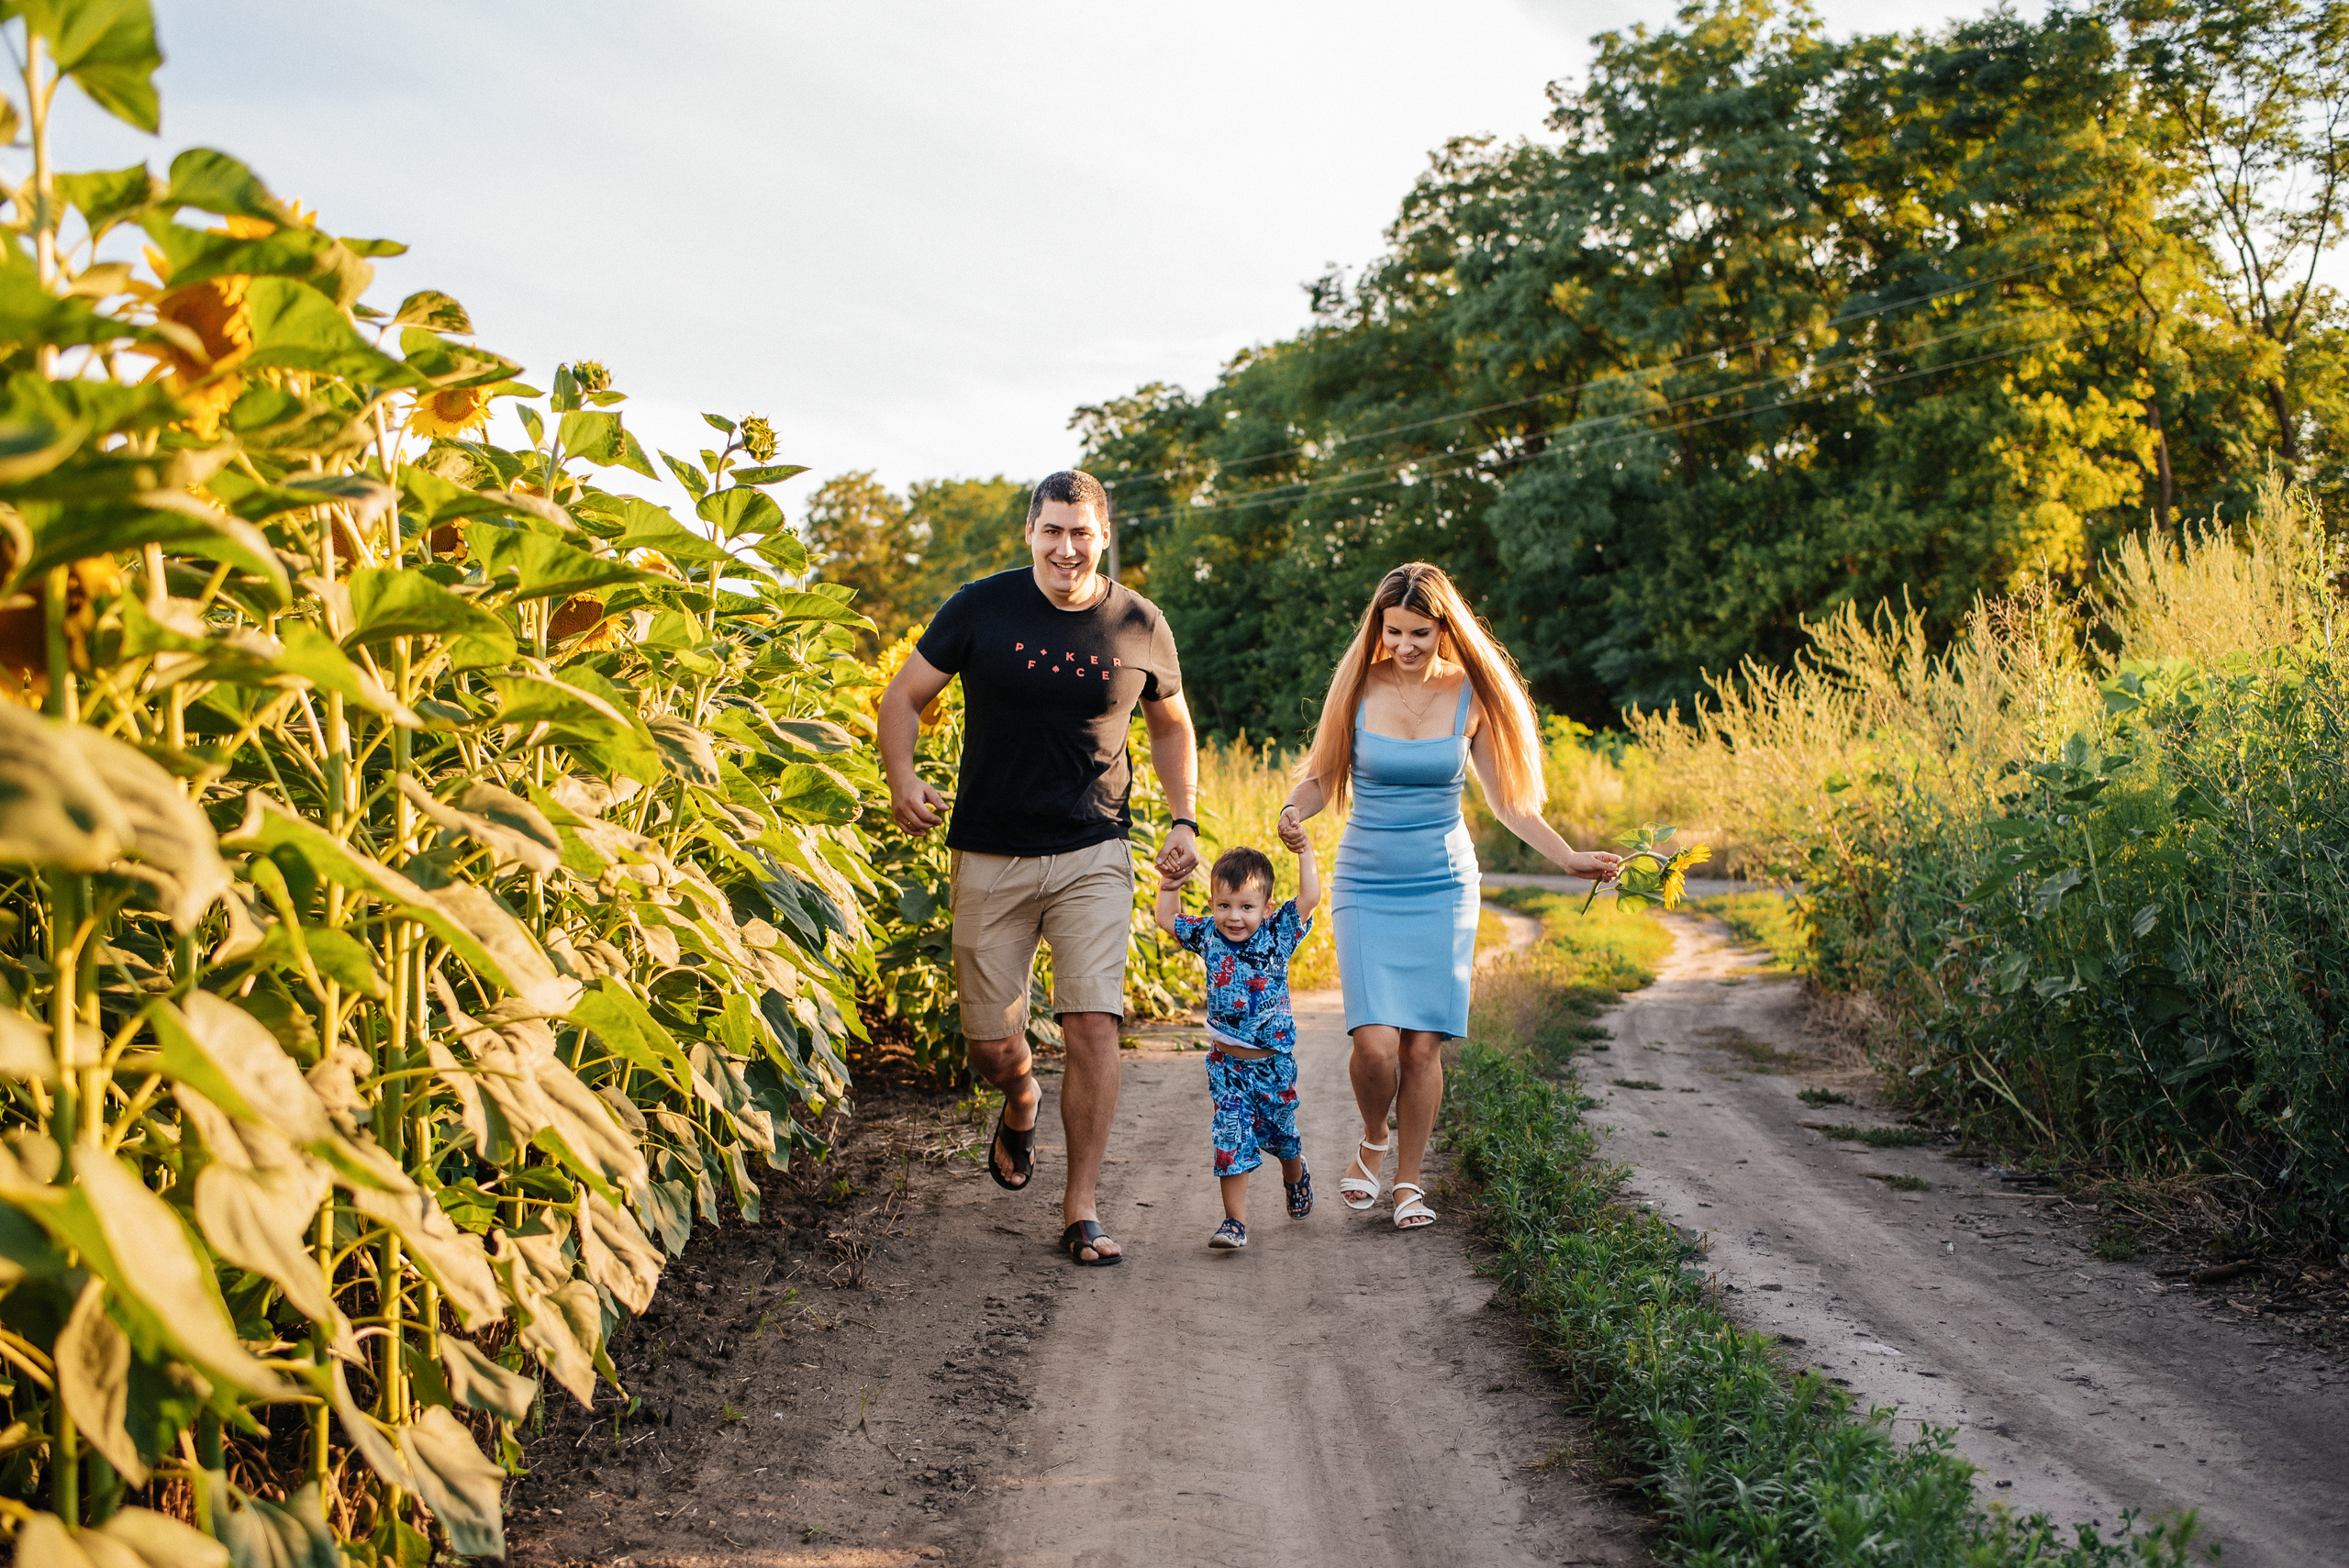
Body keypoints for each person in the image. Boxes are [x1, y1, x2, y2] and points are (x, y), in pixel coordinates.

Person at [877, 470, 1198, 1267]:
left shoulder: (1139, 622)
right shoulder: (980, 606)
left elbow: (1171, 727)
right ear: (1030, 533)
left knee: (1094, 1021)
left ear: (1103, 536)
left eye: (1081, 532)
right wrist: (902, 778)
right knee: (991, 1043)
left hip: (1095, 848)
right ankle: (1020, 1094)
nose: (1066, 547)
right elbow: (902, 697)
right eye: (1052, 531)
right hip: (990, 849)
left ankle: (1081, 1207)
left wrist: (1184, 814)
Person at [1276, 562, 1620, 1229]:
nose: (1404, 644)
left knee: (1422, 1048)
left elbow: (1509, 805)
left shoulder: (1471, 695)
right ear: (1379, 625)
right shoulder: (1357, 688)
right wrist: (1294, 808)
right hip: (1366, 882)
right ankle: (1374, 1135)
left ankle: (1408, 1183)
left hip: (1443, 885)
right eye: (1393, 629)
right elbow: (1321, 777)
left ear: (1445, 628)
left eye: (1419, 632)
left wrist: (1571, 856)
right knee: (1375, 1045)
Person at [1154, 841, 1320, 1250]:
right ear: (1212, 904)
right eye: (1225, 905)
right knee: (1230, 1136)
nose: (1234, 917)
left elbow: (1311, 896)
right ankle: (1234, 1222)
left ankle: (1295, 1174)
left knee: (1281, 1134)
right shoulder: (1208, 935)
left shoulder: (1278, 935)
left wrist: (1303, 850)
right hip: (1226, 1066)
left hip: (1273, 1065)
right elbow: (1166, 917)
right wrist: (1170, 882)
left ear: (1266, 908)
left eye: (1246, 907)